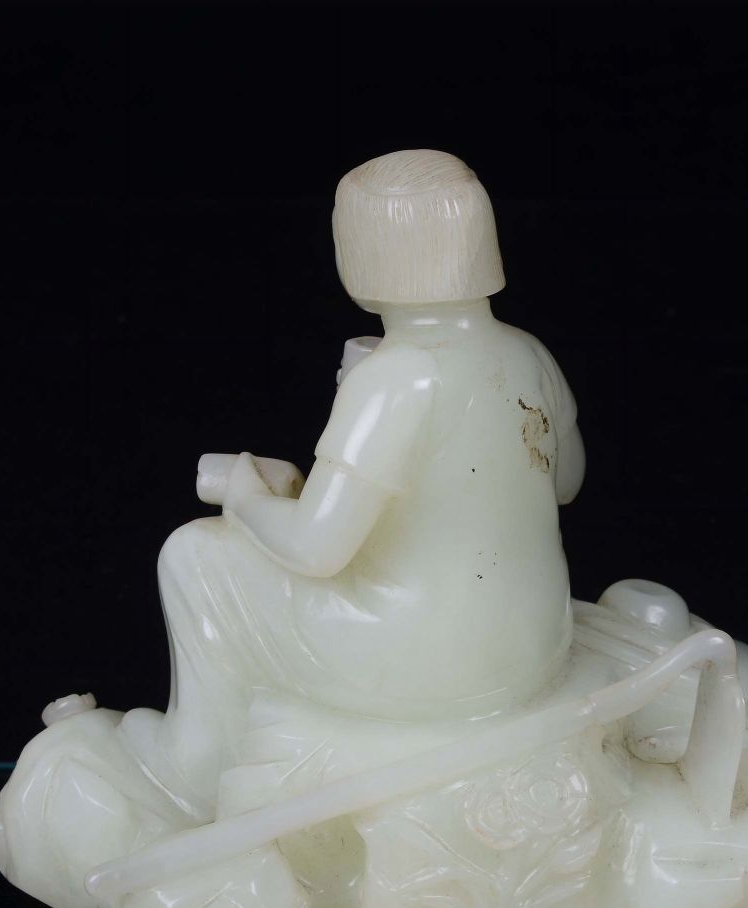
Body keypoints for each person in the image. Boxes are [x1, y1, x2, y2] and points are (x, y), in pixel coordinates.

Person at [119, 149, 587, 816]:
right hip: (535, 643)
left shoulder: (398, 375)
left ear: (365, 254)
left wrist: (246, 495)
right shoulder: (526, 350)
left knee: (195, 554)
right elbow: (566, 481)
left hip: (433, 659)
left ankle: (194, 761)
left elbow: (315, 550)